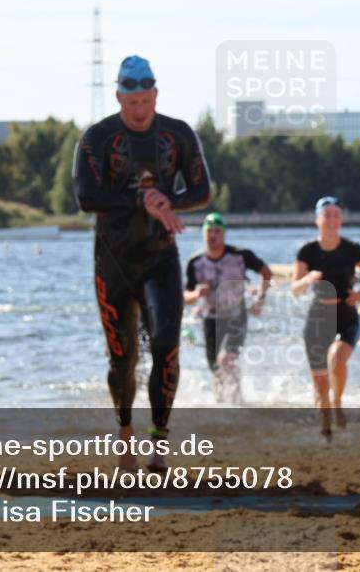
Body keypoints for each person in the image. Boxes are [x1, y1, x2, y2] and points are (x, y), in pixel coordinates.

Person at [73, 55, 211, 471]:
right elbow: (86, 197)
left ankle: (158, 443)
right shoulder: (96, 138)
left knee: (167, 345)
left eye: (146, 101)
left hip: (160, 257)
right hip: (113, 262)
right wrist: (141, 201)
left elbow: (203, 190)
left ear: (155, 95)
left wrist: (168, 201)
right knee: (123, 358)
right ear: (118, 96)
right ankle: (125, 432)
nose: (139, 110)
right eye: (132, 102)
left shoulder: (178, 134)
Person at [291, 196, 360, 438]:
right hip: (318, 318)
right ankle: (325, 431)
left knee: (336, 358)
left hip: (346, 315)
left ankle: (338, 401)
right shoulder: (307, 251)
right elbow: (295, 289)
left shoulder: (352, 249)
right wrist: (307, 279)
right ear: (317, 219)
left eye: (336, 215)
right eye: (326, 215)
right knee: (320, 387)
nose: (331, 220)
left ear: (341, 220)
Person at [184, 212, 272, 404]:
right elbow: (185, 297)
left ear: (224, 234)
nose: (213, 235)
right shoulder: (195, 262)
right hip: (210, 319)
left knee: (225, 360)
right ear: (203, 234)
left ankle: (238, 402)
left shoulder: (240, 256)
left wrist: (260, 299)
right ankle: (222, 406)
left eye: (217, 231)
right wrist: (197, 293)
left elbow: (266, 272)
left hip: (236, 317)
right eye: (209, 231)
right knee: (216, 370)